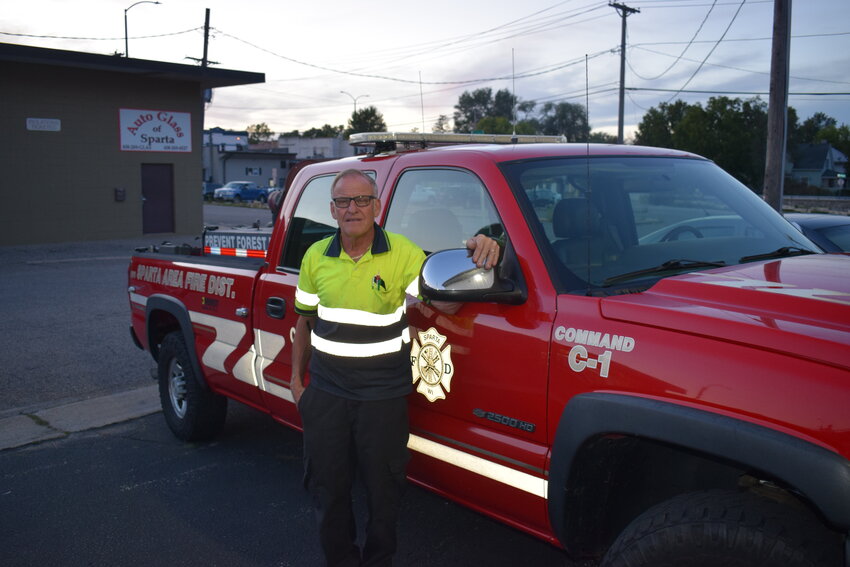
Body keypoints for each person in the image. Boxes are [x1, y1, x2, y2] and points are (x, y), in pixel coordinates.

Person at [290, 169, 500, 567]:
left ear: (377, 206)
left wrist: (480, 252)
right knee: (327, 492)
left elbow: (446, 302)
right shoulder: (315, 257)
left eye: (362, 200)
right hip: (326, 395)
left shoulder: (403, 253)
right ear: (332, 210)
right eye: (343, 202)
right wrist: (297, 384)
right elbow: (304, 319)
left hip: (381, 398)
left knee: (384, 493)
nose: (352, 209)